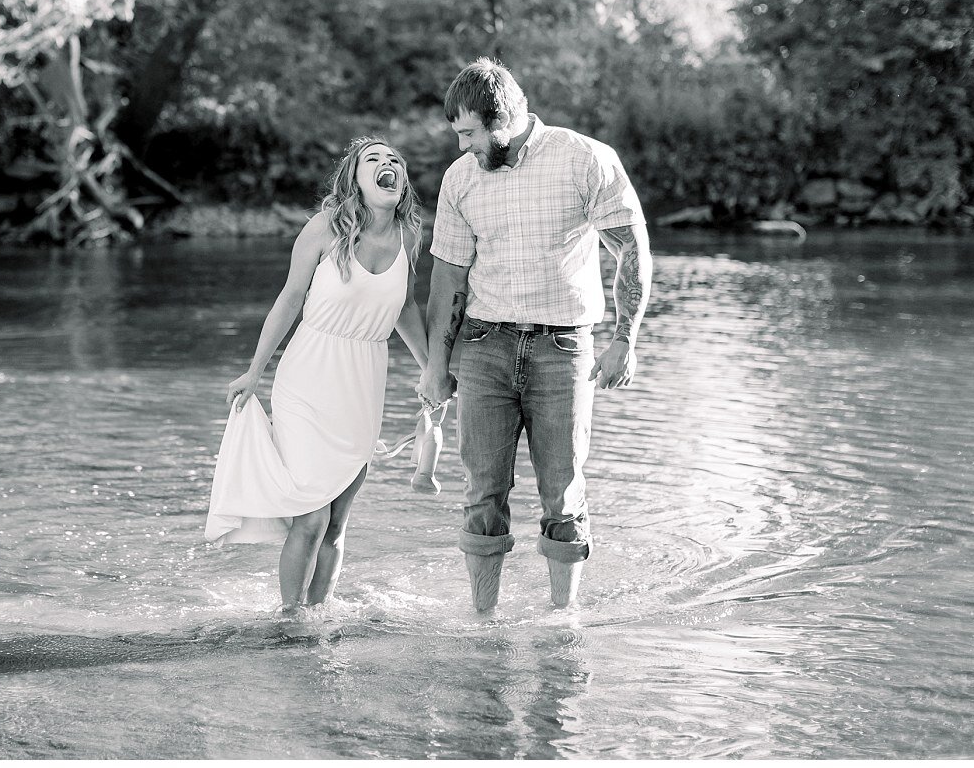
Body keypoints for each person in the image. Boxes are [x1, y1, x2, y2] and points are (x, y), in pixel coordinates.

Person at [416, 58, 652, 613]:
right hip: (483, 347)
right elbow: (448, 276)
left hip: (563, 349)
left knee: (563, 496)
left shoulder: (584, 158)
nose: (463, 146)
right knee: (481, 495)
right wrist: (435, 363)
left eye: (470, 133)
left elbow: (631, 248)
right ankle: (483, 619)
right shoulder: (461, 179)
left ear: (503, 119)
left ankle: (561, 620)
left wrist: (625, 337)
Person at [206, 137, 431, 614]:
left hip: (363, 384)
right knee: (311, 516)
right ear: (354, 178)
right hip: (308, 377)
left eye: (395, 160)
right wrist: (254, 372)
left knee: (336, 524)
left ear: (402, 181)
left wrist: (432, 369)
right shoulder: (326, 227)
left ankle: (319, 615)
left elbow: (406, 307)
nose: (387, 163)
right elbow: (289, 299)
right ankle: (291, 620)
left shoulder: (410, 237)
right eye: (373, 159)